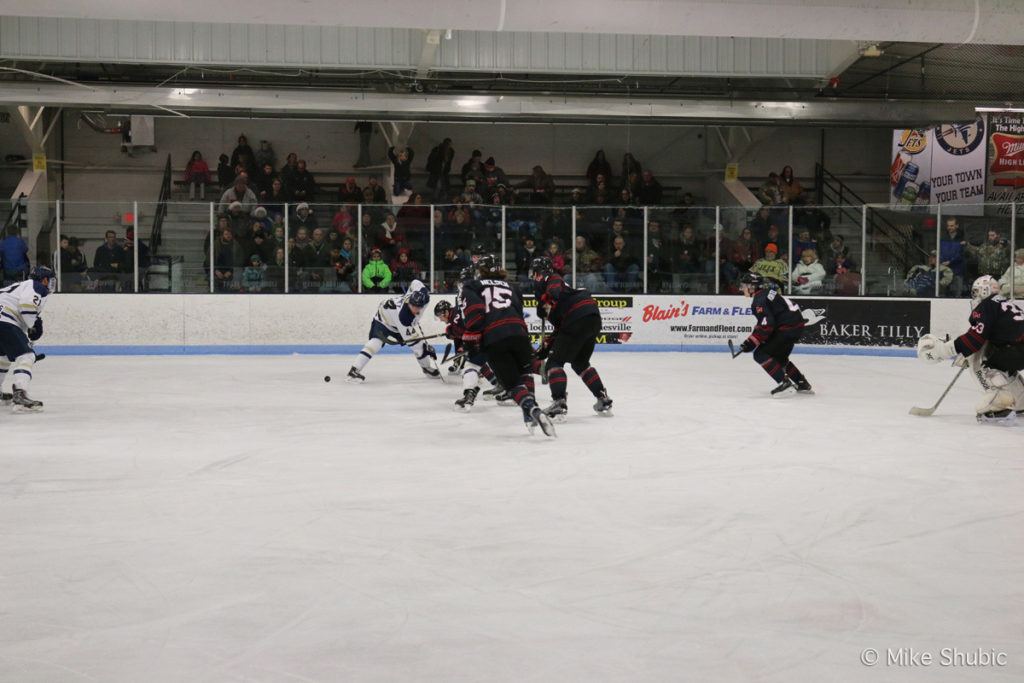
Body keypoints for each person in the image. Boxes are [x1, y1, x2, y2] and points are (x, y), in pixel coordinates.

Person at [459, 256, 555, 436]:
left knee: (513, 384)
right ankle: (530, 415)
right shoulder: (513, 287)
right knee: (525, 371)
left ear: (481, 270)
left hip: (495, 338)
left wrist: (472, 343)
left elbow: (475, 315)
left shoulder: (472, 286)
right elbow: (519, 314)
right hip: (519, 334)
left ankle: (531, 409)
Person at [917, 275, 1024, 422]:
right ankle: (1021, 400)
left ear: (984, 290)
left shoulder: (987, 305)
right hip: (1019, 347)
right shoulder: (1004, 303)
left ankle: (998, 402)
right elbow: (989, 335)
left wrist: (944, 350)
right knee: (1004, 363)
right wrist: (965, 349)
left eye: (975, 292)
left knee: (987, 365)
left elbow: (975, 339)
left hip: (1018, 348)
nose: (974, 296)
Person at [532, 255, 613, 422]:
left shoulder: (551, 278)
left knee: (554, 363)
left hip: (577, 316)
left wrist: (548, 299)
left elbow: (554, 288)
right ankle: (602, 398)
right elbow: (563, 330)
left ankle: (559, 403)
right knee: (580, 363)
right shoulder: (555, 297)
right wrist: (546, 348)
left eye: (534, 273)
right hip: (591, 316)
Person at [735, 272, 811, 397]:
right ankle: (802, 383)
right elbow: (768, 323)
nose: (742, 288)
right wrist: (755, 339)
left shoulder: (759, 300)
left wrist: (751, 342)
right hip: (796, 327)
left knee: (759, 354)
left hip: (787, 328)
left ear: (752, 286)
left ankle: (784, 384)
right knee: (779, 358)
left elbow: (767, 325)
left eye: (744, 285)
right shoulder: (767, 293)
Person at [346, 280, 437, 382]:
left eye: (417, 307)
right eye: (412, 305)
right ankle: (354, 370)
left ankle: (426, 368)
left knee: (420, 346)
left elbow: (415, 282)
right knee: (376, 343)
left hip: (392, 313)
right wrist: (426, 349)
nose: (413, 309)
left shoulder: (424, 295)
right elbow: (413, 342)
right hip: (383, 320)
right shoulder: (404, 316)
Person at [0, 265, 53, 410]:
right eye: (50, 280)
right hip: (4, 321)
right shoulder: (37, 286)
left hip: (3, 320)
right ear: (45, 280)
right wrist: (33, 325)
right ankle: (20, 394)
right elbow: (27, 306)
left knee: (3, 357)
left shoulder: (20, 286)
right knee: (26, 356)